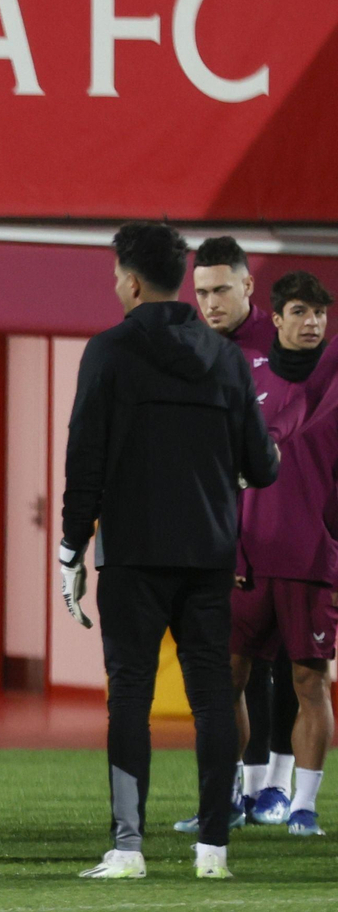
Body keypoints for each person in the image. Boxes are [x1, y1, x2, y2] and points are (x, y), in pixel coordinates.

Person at [61, 222, 279, 881]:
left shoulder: (107, 352)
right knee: (213, 694)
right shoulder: (226, 360)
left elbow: (84, 461)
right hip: (211, 553)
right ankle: (214, 849)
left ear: (129, 280)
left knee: (129, 692)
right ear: (183, 276)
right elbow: (262, 467)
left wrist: (72, 548)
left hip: (131, 555)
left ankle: (128, 847)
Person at [186, 236, 301, 829]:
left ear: (249, 287)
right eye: (201, 292)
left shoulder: (282, 347)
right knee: (228, 668)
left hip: (284, 534)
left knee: (285, 664)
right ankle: (232, 793)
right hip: (218, 537)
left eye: (221, 290)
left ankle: (278, 787)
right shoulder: (195, 349)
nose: (210, 302)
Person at [228, 271, 336, 837]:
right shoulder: (250, 375)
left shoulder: (335, 377)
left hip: (313, 559)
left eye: (320, 312)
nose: (312, 321)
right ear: (276, 317)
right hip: (249, 554)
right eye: (300, 311)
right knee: (229, 677)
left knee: (309, 681)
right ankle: (230, 794)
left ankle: (303, 805)